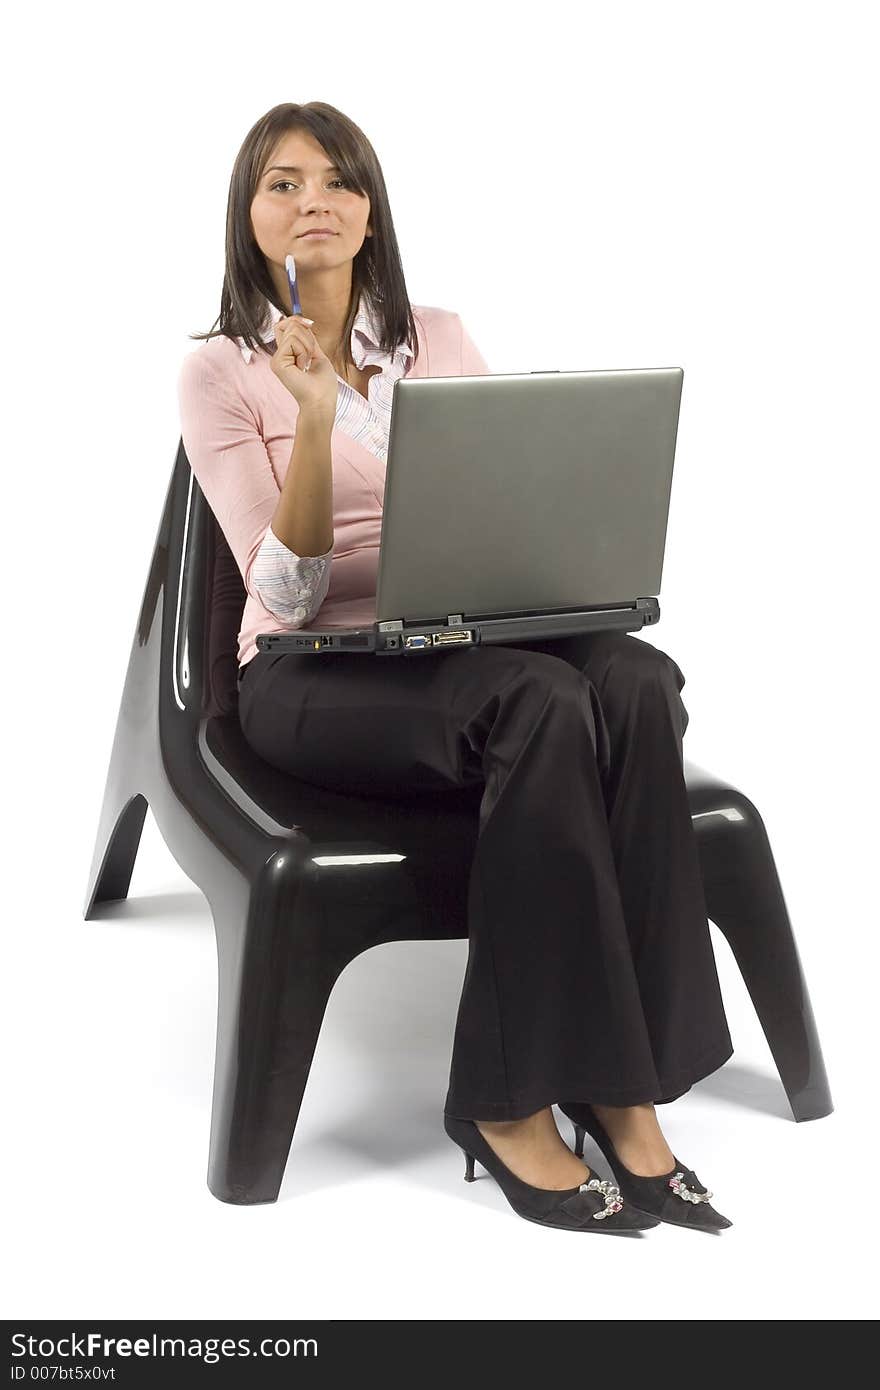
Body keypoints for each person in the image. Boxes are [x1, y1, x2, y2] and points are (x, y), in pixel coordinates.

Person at [177, 101, 735, 1235]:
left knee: (633, 679)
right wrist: (319, 420)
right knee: (537, 702)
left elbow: (499, 506)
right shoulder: (219, 372)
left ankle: (625, 1081)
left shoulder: (438, 336)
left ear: (371, 211)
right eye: (282, 183)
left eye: (337, 181)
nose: (313, 202)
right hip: (308, 674)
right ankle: (503, 1094)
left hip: (457, 639)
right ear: (249, 215)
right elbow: (279, 596)